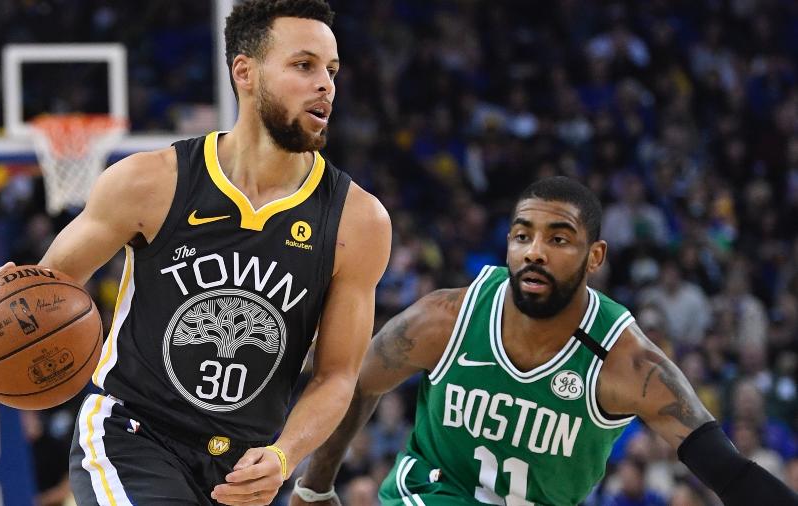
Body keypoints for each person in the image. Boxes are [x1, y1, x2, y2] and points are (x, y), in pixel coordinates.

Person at [0, 1, 392, 505]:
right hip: (132, 435)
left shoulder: (359, 221)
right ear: (244, 72)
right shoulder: (151, 182)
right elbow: (44, 291)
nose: (325, 85)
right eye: (303, 65)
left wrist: (284, 455)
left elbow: (337, 375)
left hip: (242, 464)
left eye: (331, 70)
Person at [290, 177, 797, 505]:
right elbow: (357, 385)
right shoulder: (446, 319)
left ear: (594, 256)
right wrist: (314, 487)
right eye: (522, 235)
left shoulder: (627, 363)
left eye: (558, 239)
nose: (535, 252)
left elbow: (728, 471)